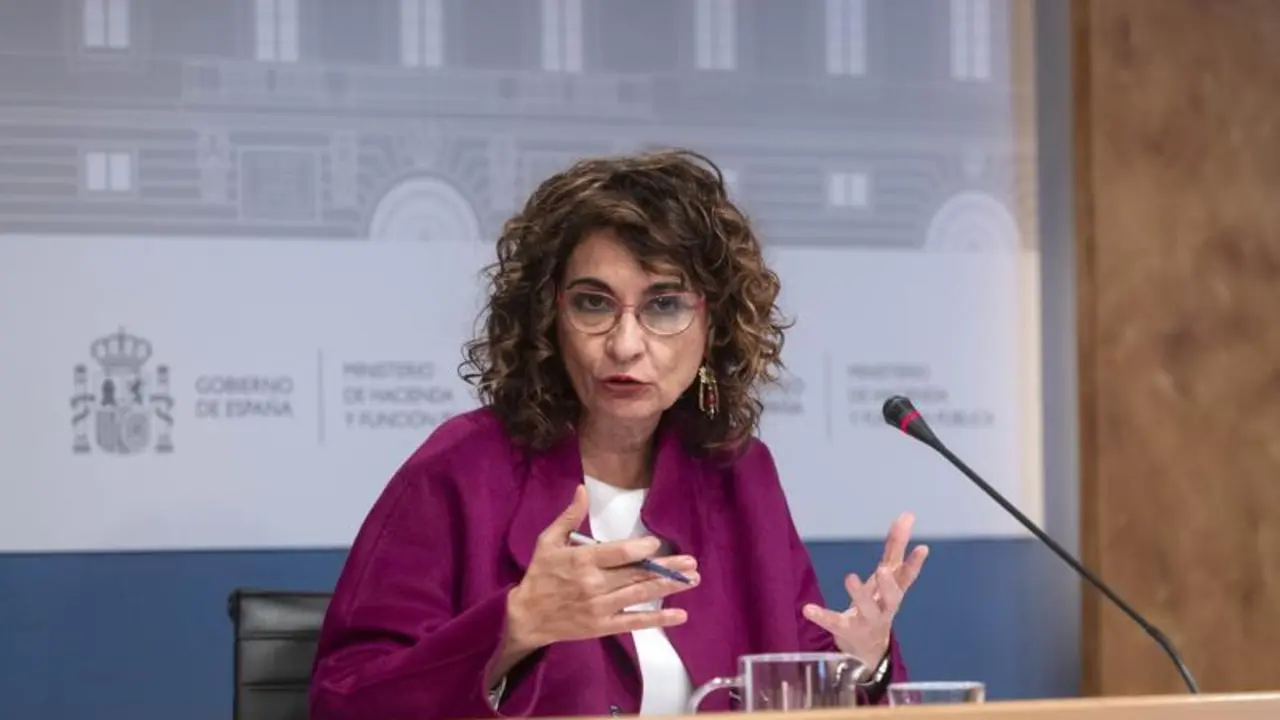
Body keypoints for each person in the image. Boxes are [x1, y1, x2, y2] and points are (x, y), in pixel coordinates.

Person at [309, 149, 929, 719]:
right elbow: (344, 700)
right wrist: (513, 627)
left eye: (664, 305)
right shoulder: (463, 470)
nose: (626, 344)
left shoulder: (737, 474)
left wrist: (864, 660)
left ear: (713, 325)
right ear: (550, 318)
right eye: (593, 303)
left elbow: (799, 684)